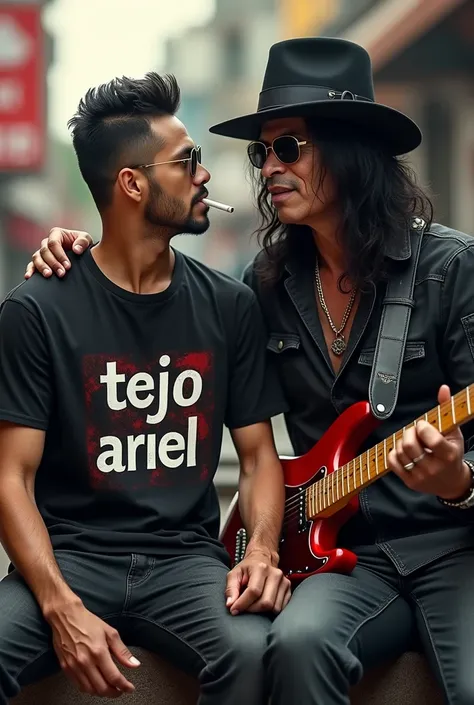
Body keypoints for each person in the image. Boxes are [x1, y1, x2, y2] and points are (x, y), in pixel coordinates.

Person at [30, 38, 474, 704]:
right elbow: (158, 304)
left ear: (349, 149)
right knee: (294, 645)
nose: (268, 168)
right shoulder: (265, 286)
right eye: (261, 151)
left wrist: (459, 480)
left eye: (288, 148)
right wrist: (82, 253)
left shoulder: (450, 269)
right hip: (343, 554)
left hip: (452, 546)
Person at [0, 71, 292, 704]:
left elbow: (259, 457)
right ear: (132, 183)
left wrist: (262, 551)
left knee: (252, 651)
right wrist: (60, 608)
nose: (204, 176)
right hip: (69, 557)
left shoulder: (228, 306)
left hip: (185, 564)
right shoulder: (37, 309)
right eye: (186, 162)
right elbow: (10, 480)